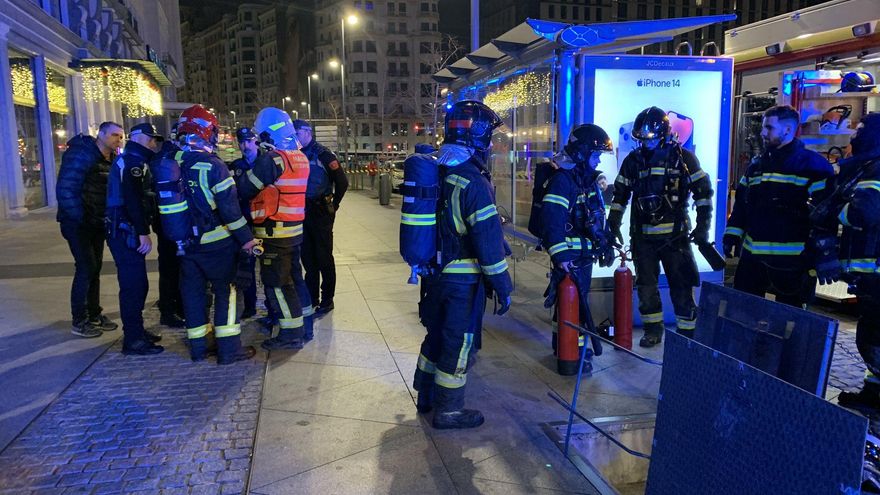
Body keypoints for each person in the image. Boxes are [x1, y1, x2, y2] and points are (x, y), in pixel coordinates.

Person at [411, 100, 513, 429]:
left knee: (436, 335)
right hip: (463, 279)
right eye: (489, 137)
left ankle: (425, 395)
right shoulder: (473, 181)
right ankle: (449, 409)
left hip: (436, 275)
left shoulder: (437, 168)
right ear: (478, 137)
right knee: (459, 341)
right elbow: (487, 244)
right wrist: (503, 286)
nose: (492, 144)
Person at [607, 106, 714, 347]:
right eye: (641, 140)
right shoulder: (633, 161)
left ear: (664, 134)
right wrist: (613, 223)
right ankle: (653, 330)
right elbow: (620, 195)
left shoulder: (683, 159)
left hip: (675, 237)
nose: (645, 144)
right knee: (646, 287)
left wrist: (702, 228)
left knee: (682, 286)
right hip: (643, 237)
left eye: (650, 139)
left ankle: (688, 333)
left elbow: (703, 194)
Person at [168, 105, 259, 364]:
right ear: (206, 132)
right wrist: (247, 240)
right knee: (227, 292)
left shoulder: (171, 163)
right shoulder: (213, 166)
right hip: (217, 243)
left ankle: (198, 348)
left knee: (193, 294)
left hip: (184, 243)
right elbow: (230, 211)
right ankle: (229, 349)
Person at [723, 105, 835, 308]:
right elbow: (742, 205)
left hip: (792, 262)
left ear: (788, 130)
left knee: (788, 323)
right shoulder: (757, 165)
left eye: (769, 128)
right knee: (744, 314)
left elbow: (825, 215)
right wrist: (731, 234)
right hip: (752, 259)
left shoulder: (813, 166)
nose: (763, 133)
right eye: (763, 128)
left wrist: (821, 254)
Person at [808, 114, 880, 411]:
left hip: (876, 269)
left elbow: (865, 213)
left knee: (873, 336)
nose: (853, 137)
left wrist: (833, 207)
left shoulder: (875, 169)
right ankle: (873, 392)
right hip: (869, 272)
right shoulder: (863, 168)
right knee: (872, 333)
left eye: (860, 132)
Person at [540, 124, 616, 372]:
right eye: (595, 155)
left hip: (582, 255)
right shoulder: (563, 181)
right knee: (574, 305)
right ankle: (573, 356)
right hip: (570, 256)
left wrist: (605, 243)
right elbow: (552, 219)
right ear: (582, 154)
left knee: (569, 303)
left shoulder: (586, 179)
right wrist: (560, 256)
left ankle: (563, 346)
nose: (597, 161)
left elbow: (596, 214)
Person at [239, 109, 312, 349]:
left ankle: (290, 334)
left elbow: (246, 188)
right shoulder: (299, 157)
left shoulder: (273, 160)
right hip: (293, 232)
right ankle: (305, 326)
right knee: (295, 281)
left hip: (274, 234)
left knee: (277, 285)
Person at [56, 121, 123, 338]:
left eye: (121, 136)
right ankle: (80, 320)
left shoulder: (110, 158)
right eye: (114, 135)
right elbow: (66, 190)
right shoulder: (81, 154)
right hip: (78, 223)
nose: (118, 140)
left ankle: (94, 314)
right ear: (101, 134)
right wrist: (79, 218)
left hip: (95, 222)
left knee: (94, 268)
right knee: (86, 267)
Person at [105, 123, 165, 355]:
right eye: (150, 139)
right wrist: (142, 232)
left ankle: (136, 332)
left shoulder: (132, 159)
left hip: (124, 228)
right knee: (133, 285)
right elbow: (132, 200)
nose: (153, 143)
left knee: (138, 284)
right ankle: (133, 339)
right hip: (125, 230)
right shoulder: (133, 163)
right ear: (138, 138)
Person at [294, 119, 348, 316]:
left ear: (308, 132)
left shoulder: (324, 155)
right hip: (303, 212)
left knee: (324, 257)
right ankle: (311, 297)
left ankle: (327, 299)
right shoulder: (296, 154)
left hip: (321, 212)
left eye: (297, 133)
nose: (295, 137)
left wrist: (334, 204)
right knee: (307, 258)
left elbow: (342, 182)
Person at [152, 123, 185, 328]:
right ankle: (170, 309)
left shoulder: (161, 157)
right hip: (172, 222)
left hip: (166, 221)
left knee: (171, 268)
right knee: (173, 269)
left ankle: (173, 306)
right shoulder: (174, 158)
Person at [229, 127, 262, 320]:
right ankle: (250, 306)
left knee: (268, 267)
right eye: (242, 142)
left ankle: (271, 306)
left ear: (255, 141)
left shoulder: (266, 162)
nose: (245, 145)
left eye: (249, 141)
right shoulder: (235, 165)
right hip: (244, 223)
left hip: (264, 221)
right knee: (246, 266)